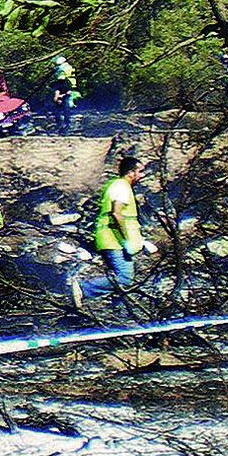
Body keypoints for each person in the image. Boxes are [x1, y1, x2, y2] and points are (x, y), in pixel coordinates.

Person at [93, 155, 147, 291]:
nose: (143, 175)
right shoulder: (121, 187)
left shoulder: (120, 186)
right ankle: (84, 288)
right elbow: (117, 214)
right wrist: (126, 239)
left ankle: (119, 307)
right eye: (140, 171)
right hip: (114, 240)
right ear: (130, 173)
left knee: (124, 283)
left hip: (114, 239)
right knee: (125, 278)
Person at [52, 56, 80, 133]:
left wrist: (58, 95)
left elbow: (61, 83)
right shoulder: (70, 67)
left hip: (67, 92)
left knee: (63, 110)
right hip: (74, 91)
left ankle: (65, 127)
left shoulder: (61, 69)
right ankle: (70, 127)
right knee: (70, 110)